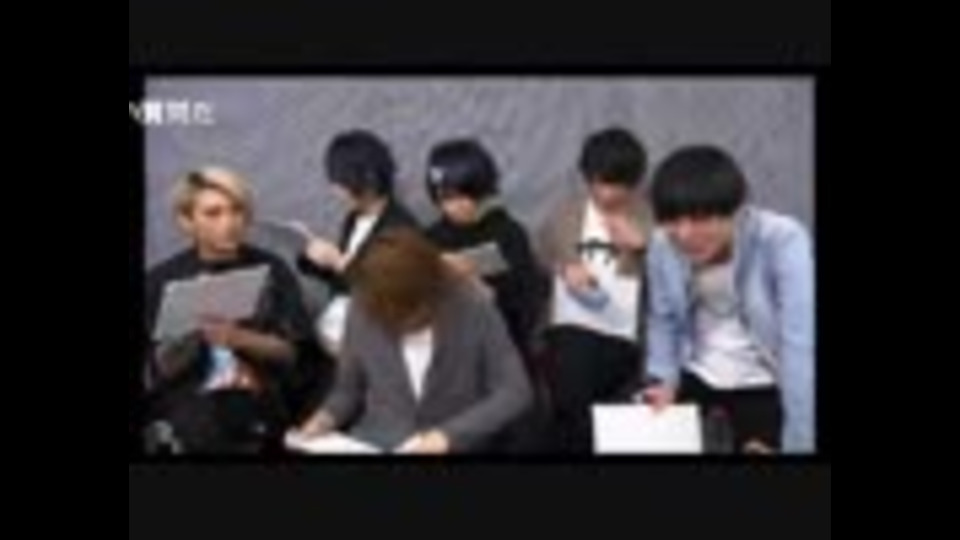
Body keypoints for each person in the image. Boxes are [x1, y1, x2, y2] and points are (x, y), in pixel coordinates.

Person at [639, 146, 815, 454]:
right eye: (672, 220)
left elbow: (800, 345)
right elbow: (663, 320)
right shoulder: (662, 243)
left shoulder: (782, 239)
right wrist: (664, 380)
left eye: (701, 218)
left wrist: (799, 442)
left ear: (737, 209)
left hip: (764, 375)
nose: (684, 234)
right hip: (695, 367)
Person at [294, 229, 533, 454]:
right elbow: (347, 390)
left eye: (405, 312)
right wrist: (324, 419)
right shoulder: (362, 307)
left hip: (456, 446)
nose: (396, 322)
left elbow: (514, 390)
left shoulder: (472, 306)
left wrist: (448, 436)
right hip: (378, 442)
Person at [144, 167, 316, 454]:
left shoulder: (272, 268)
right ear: (186, 221)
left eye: (236, 211)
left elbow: (296, 355)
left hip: (260, 397)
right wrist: (188, 342)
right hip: (191, 405)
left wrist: (240, 338)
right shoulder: (158, 281)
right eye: (213, 214)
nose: (229, 223)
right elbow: (154, 372)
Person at [536, 127, 655, 454]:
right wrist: (564, 268)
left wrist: (645, 247)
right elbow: (541, 256)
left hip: (622, 335)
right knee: (571, 385)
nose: (607, 194)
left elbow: (677, 280)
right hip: (568, 326)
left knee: (590, 410)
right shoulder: (566, 213)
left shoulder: (649, 217)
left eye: (618, 185)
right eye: (599, 183)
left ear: (634, 183)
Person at [297, 130, 420, 355]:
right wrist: (313, 259)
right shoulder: (354, 219)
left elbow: (390, 290)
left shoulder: (401, 227)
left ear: (364, 181)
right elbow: (344, 279)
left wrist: (338, 261)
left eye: (339, 182)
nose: (335, 190)